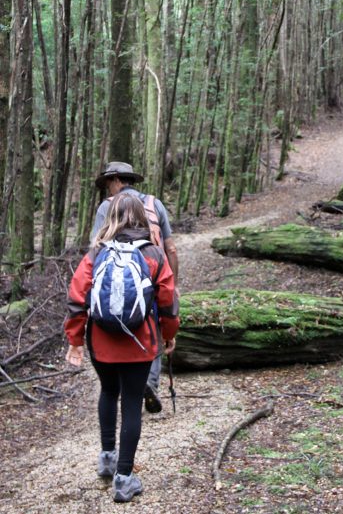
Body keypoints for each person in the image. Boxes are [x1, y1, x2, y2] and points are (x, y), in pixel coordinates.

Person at [65, 193, 179, 503]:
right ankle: (124, 479)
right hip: (140, 344)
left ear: (110, 217)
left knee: (107, 392)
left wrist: (75, 341)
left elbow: (77, 299)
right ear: (142, 217)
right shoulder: (154, 254)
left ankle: (106, 459)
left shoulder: (96, 254)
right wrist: (169, 335)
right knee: (131, 402)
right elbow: (168, 303)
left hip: (101, 344)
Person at [92, 161, 178, 413]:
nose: (108, 190)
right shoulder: (155, 204)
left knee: (120, 320)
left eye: (108, 184)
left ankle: (121, 382)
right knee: (154, 324)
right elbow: (171, 247)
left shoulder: (106, 207)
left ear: (117, 180)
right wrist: (174, 284)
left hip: (119, 279)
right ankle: (148, 382)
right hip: (153, 271)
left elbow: (95, 250)